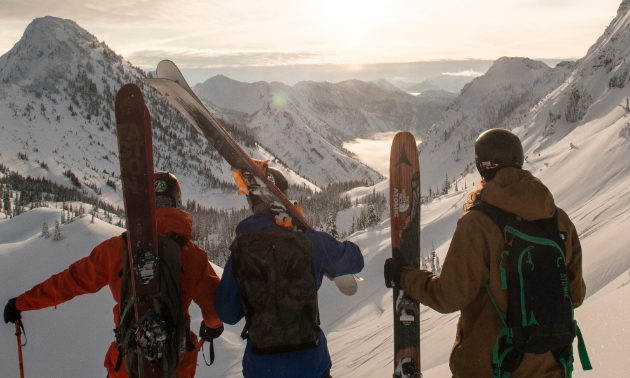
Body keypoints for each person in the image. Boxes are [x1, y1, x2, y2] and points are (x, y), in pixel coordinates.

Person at [384, 129, 586, 378]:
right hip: (552, 368)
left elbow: (448, 296)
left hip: (495, 367)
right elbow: (575, 296)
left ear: (483, 166)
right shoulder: (559, 221)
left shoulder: (479, 223)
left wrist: (405, 276)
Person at [3, 172, 224, 378]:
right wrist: (212, 326)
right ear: (176, 203)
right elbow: (214, 304)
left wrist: (22, 303)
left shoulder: (118, 248)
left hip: (129, 361)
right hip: (176, 363)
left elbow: (70, 282)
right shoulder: (193, 255)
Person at [215, 165, 364, 378]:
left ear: (253, 202)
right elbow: (356, 261)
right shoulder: (311, 243)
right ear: (283, 198)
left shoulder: (240, 252)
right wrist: (322, 256)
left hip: (261, 368)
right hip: (310, 367)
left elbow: (227, 314)